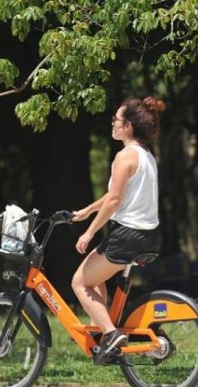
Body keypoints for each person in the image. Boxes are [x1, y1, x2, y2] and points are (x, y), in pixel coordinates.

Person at [71, 96, 165, 365]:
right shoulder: (146, 157)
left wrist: (89, 233)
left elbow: (114, 201)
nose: (112, 123)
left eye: (117, 120)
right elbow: (118, 195)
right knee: (93, 274)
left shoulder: (124, 156)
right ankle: (101, 326)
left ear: (129, 127)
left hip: (126, 235)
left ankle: (111, 335)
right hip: (148, 236)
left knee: (79, 282)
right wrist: (88, 210)